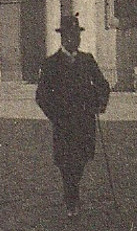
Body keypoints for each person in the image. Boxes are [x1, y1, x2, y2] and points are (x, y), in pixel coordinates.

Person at [35, 14, 111, 217]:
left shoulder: (87, 60)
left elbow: (103, 85)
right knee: (66, 163)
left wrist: (99, 103)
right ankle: (71, 200)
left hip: (85, 121)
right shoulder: (51, 64)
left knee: (80, 162)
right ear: (63, 38)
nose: (75, 39)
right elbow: (41, 95)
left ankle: (72, 194)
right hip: (64, 124)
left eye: (77, 35)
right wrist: (55, 115)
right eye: (71, 35)